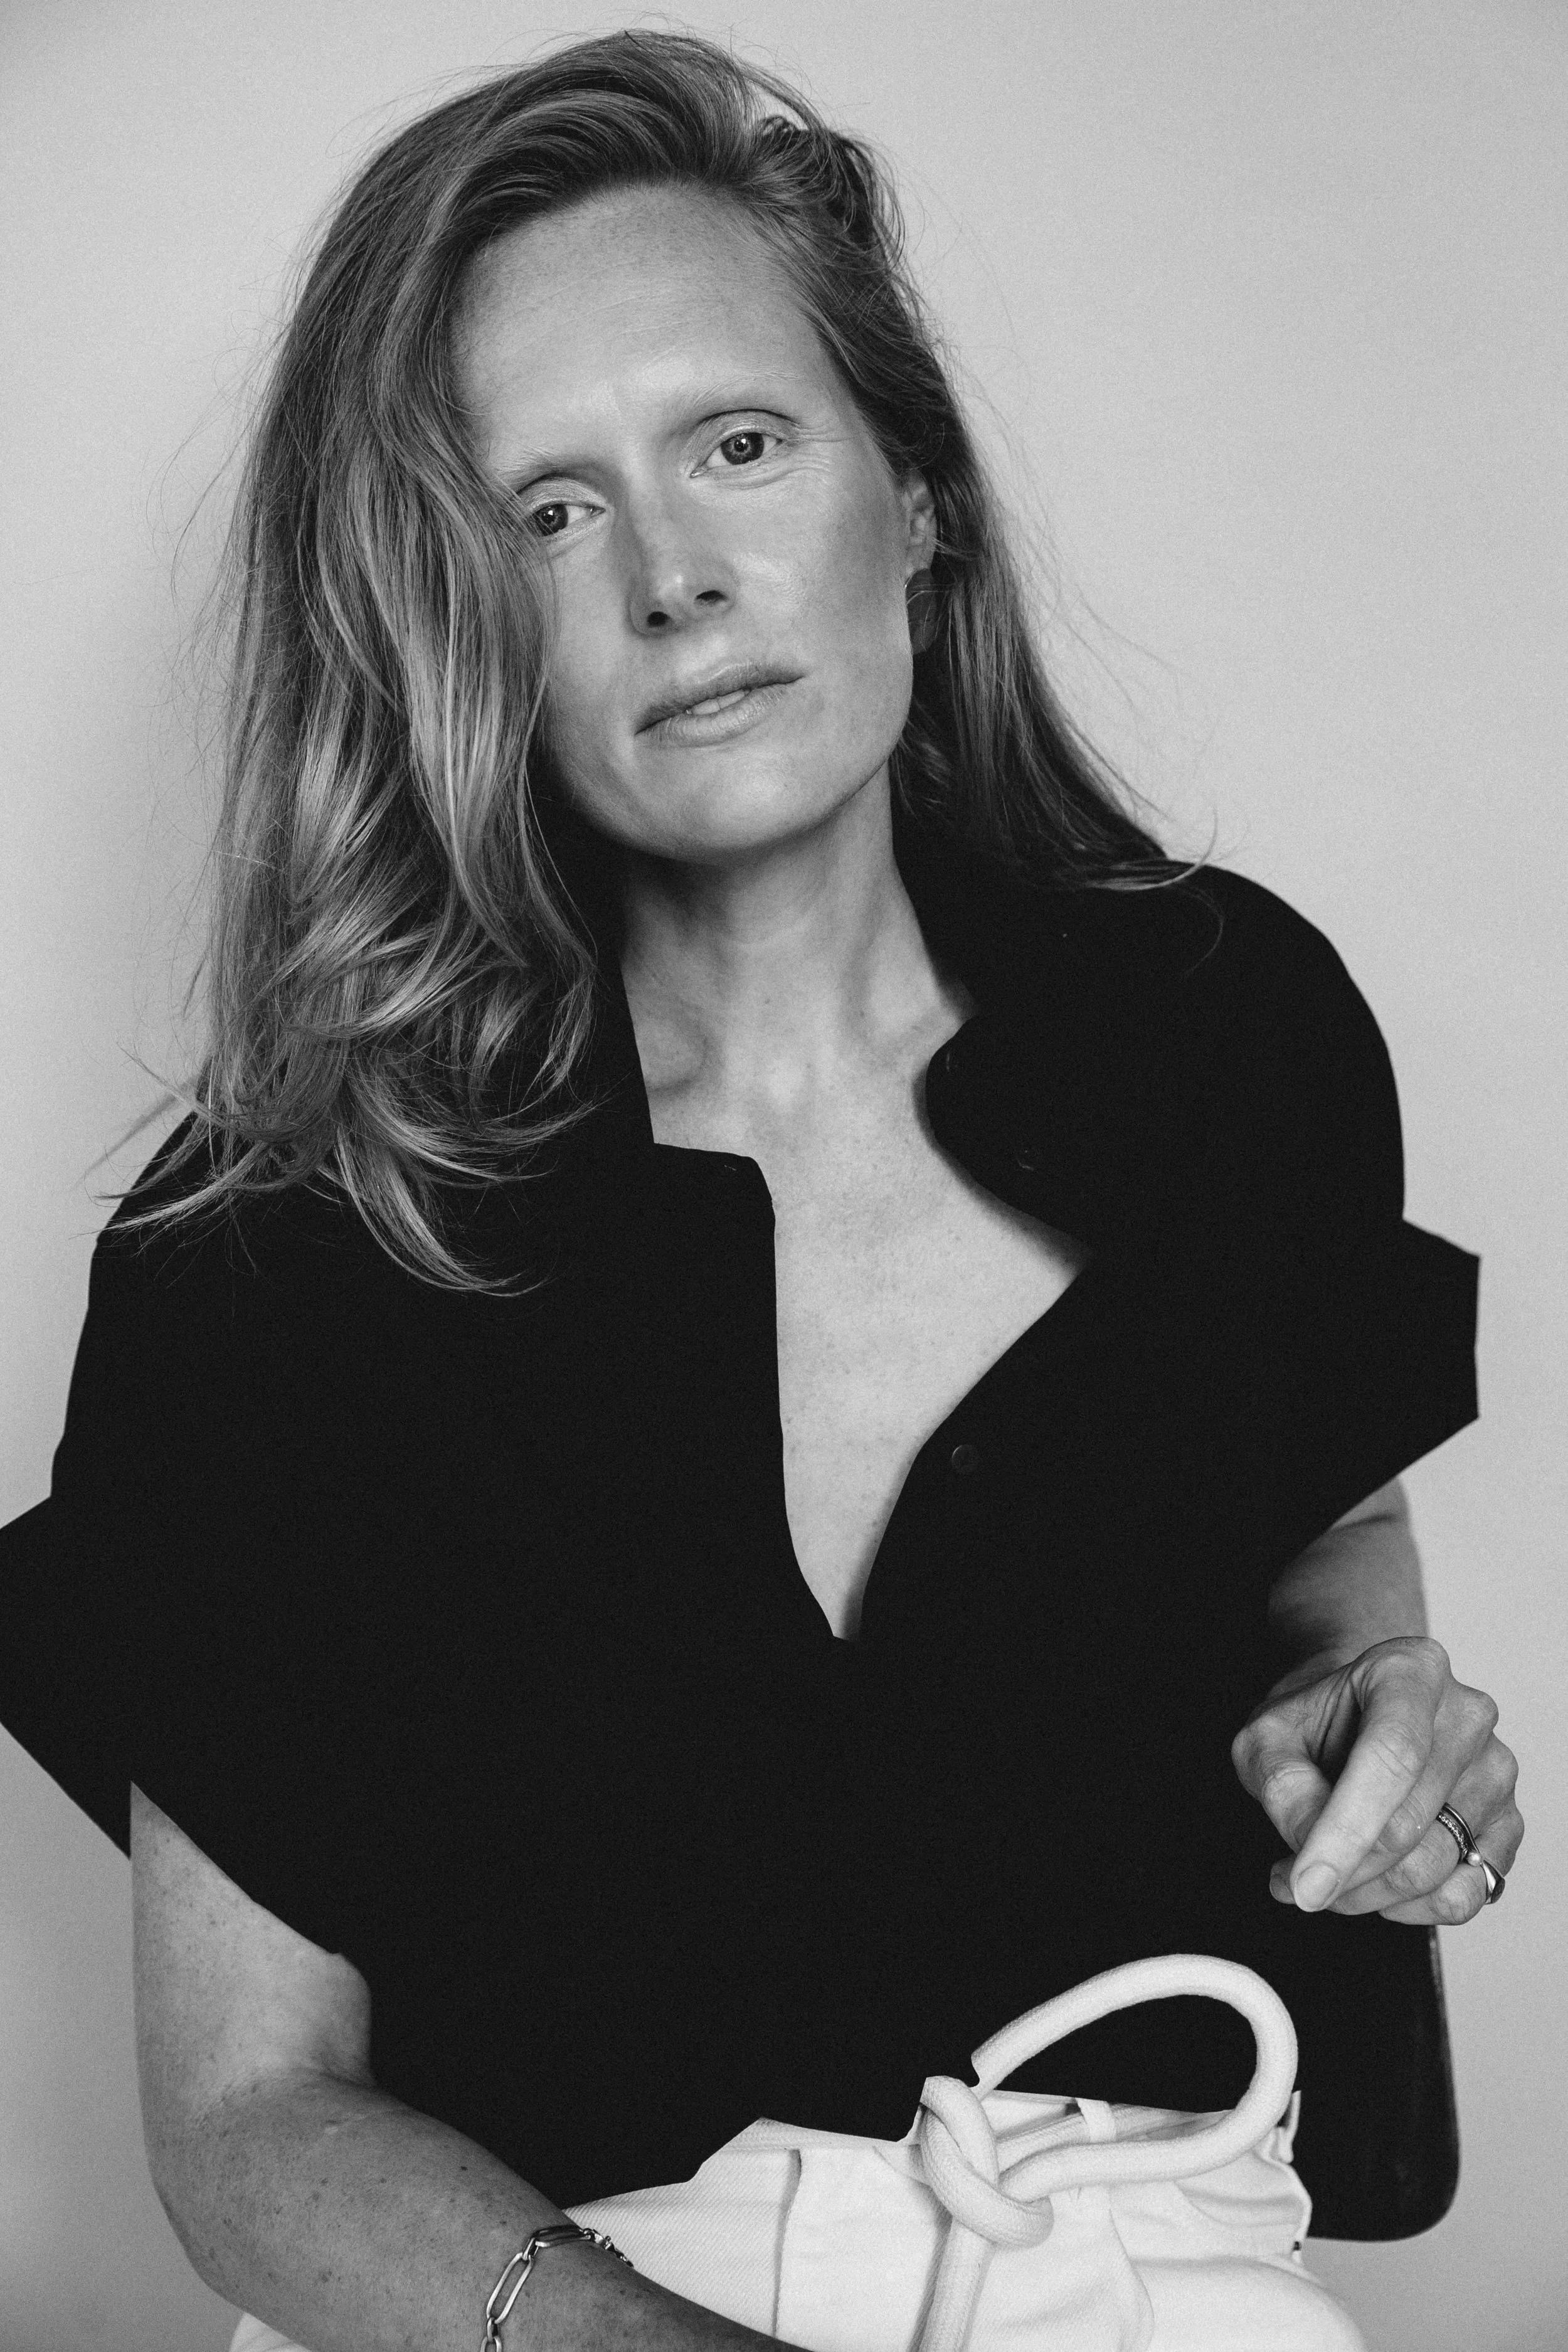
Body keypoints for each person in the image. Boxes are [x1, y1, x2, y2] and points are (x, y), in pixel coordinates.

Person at [0, 29, 1522, 2352]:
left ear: (909, 498)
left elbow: (1321, 1541)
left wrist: (1374, 1708)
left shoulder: (1229, 1030)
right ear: (444, 616)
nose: (677, 582)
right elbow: (243, 2117)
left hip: (1144, 2271)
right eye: (543, 509)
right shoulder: (275, 1243)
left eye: (734, 442)